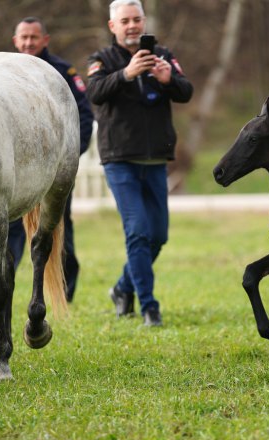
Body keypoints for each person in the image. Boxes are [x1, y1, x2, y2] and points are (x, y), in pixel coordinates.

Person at [0, 16, 94, 306]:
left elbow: (83, 116)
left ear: (45, 40)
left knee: (58, 228)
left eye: (33, 38)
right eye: (23, 38)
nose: (28, 43)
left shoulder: (61, 72)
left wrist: (67, 158)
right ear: (15, 41)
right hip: (16, 171)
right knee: (6, 231)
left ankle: (65, 290)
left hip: (53, 168)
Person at [86, 0, 193, 326]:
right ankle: (149, 307)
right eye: (125, 21)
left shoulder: (162, 54)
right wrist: (126, 73)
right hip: (121, 160)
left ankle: (122, 288)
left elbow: (186, 91)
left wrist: (167, 79)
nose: (132, 25)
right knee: (138, 231)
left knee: (157, 235)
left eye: (137, 19)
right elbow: (95, 92)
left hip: (157, 159)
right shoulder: (101, 60)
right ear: (113, 26)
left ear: (144, 22)